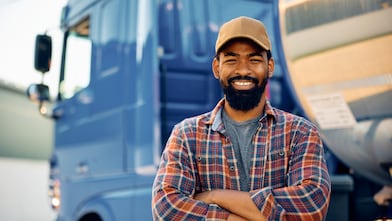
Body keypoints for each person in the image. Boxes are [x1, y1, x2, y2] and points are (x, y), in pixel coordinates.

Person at [152, 16, 331, 221]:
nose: (243, 70)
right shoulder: (187, 134)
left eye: (254, 60)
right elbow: (165, 209)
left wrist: (215, 196)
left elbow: (311, 207)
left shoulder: (300, 132)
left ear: (270, 66)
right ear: (216, 68)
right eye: (231, 59)